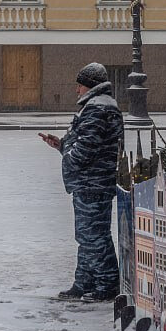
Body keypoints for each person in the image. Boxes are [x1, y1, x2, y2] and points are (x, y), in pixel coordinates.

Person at [38, 62, 124, 303]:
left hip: (93, 183)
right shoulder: (98, 106)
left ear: (90, 86)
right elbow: (84, 143)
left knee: (94, 236)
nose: (77, 90)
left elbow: (86, 149)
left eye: (80, 85)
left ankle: (107, 284)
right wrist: (62, 145)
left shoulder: (98, 109)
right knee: (87, 236)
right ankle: (85, 282)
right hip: (93, 182)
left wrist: (69, 156)